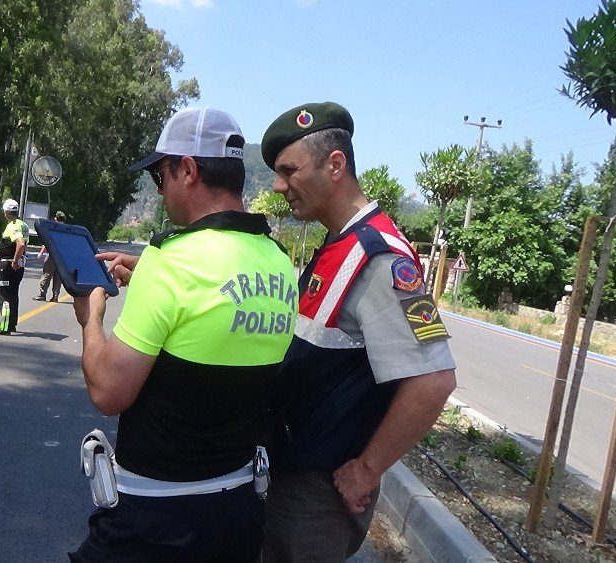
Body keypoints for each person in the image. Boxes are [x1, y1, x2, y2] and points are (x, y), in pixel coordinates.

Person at [68, 107, 298, 562]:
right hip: (238, 512)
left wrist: (89, 316)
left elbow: (108, 391)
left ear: (187, 170)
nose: (160, 190)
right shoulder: (278, 262)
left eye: (160, 176)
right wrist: (151, 278)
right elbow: (214, 312)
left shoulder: (170, 261)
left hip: (156, 520)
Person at [258, 102, 457, 561]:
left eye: (289, 171)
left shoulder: (382, 257)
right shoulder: (338, 242)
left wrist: (367, 470)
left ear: (335, 164)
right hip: (292, 475)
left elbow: (434, 379)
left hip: (316, 496)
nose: (278, 185)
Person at [0, 198, 29, 336]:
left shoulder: (13, 225)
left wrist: (14, 260)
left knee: (4, 295)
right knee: (13, 295)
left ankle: (5, 327)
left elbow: (20, 243)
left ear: (7, 212)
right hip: (18, 266)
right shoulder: (23, 224)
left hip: (9, 265)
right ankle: (12, 324)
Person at [33, 210, 66, 302]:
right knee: (58, 277)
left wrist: (41, 253)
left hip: (52, 255)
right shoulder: (65, 229)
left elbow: (47, 242)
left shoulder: (53, 228)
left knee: (47, 275)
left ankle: (42, 295)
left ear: (56, 218)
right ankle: (55, 296)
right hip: (62, 257)